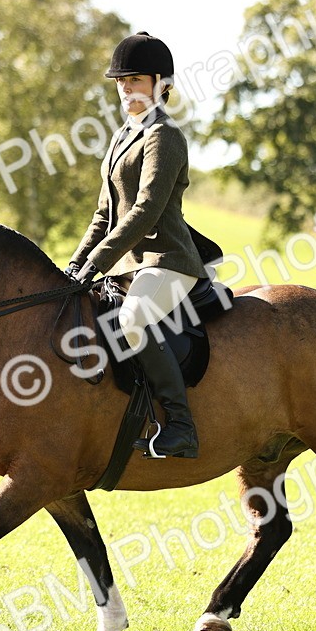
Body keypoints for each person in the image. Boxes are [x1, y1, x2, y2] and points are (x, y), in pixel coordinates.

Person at [66, 31, 207, 459]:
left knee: (131, 321)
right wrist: (74, 268)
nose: (126, 88)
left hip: (167, 261)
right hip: (128, 265)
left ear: (161, 83)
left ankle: (181, 424)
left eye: (136, 80)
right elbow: (103, 215)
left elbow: (145, 210)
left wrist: (97, 262)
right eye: (121, 81)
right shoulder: (120, 138)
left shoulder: (165, 136)